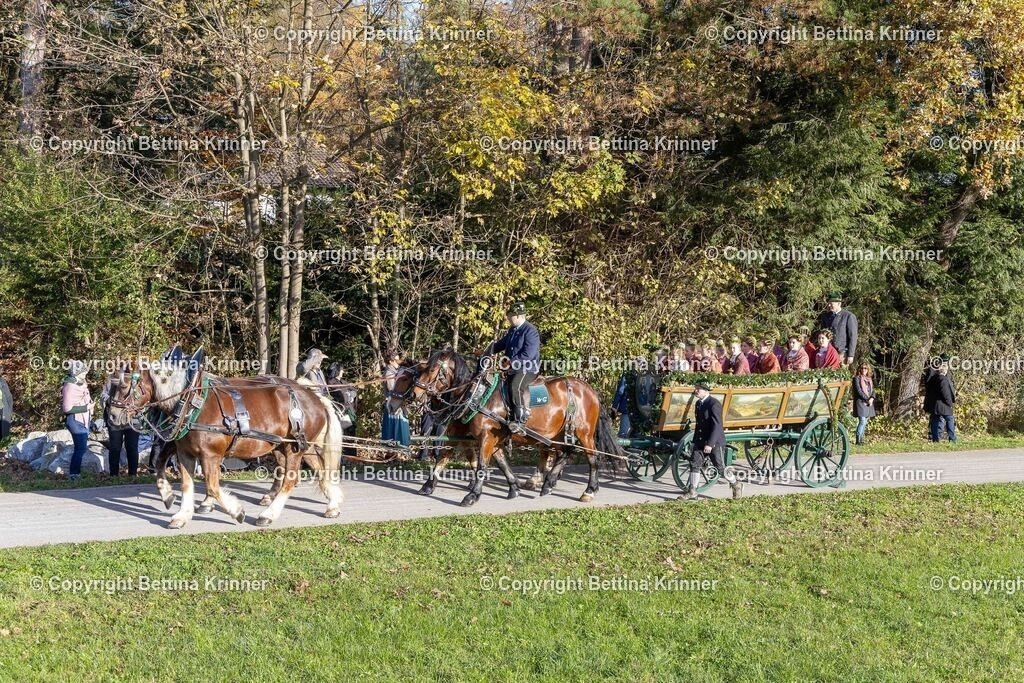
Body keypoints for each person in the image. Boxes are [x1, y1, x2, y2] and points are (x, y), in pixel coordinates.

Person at [678, 381, 742, 500]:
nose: (696, 391)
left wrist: (710, 444)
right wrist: (694, 441)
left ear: (706, 391)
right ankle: (692, 491)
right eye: (696, 388)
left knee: (720, 468)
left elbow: (717, 426)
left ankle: (735, 484)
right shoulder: (698, 403)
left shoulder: (714, 404)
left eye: (699, 389)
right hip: (700, 441)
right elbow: (699, 425)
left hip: (714, 442)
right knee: (694, 464)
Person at [484, 301, 541, 434]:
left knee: (515, 386)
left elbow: (528, 354)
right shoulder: (512, 330)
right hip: (512, 368)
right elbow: (500, 345)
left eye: (510, 316)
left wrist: (511, 362)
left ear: (518, 316)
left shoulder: (530, 331)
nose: (508, 318)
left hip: (527, 368)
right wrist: (486, 351)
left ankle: (520, 420)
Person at [101, 367, 141, 477]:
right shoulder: (112, 378)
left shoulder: (137, 379)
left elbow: (143, 397)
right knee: (115, 447)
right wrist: (110, 401)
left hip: (133, 418)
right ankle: (114, 475)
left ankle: (133, 474)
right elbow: (103, 395)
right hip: (114, 417)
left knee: (132, 447)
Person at [61, 360, 93, 480]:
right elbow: (67, 408)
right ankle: (74, 474)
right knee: (80, 448)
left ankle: (76, 473)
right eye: (83, 372)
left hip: (82, 420)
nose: (85, 373)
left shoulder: (80, 384)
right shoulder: (70, 387)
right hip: (75, 421)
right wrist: (87, 407)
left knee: (81, 448)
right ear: (76, 373)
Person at [818, 292, 858, 366]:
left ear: (839, 304)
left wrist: (851, 355)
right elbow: (822, 334)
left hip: (842, 353)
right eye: (828, 303)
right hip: (827, 352)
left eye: (831, 303)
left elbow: (853, 336)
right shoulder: (825, 316)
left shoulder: (848, 316)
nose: (829, 305)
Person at [381, 347, 410, 445]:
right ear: (391, 360)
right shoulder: (389, 372)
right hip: (393, 404)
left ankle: (398, 452)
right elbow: (392, 388)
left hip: (400, 404)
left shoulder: (398, 371)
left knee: (400, 428)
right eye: (396, 359)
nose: (398, 361)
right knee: (393, 431)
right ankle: (391, 453)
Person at [925, 357, 957, 442]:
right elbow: (945, 393)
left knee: (935, 421)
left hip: (935, 405)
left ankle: (935, 439)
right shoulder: (943, 379)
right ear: (944, 370)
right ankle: (952, 439)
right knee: (950, 419)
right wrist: (950, 403)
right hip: (943, 405)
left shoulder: (933, 379)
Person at [852, 362, 876, 445]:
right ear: (859, 369)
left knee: (865, 421)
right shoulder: (856, 378)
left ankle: (862, 439)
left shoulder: (869, 379)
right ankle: (858, 440)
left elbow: (873, 391)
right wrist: (867, 399)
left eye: (865, 368)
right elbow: (859, 391)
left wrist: (872, 398)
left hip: (868, 402)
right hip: (860, 402)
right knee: (862, 420)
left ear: (868, 369)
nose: (863, 370)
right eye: (862, 368)